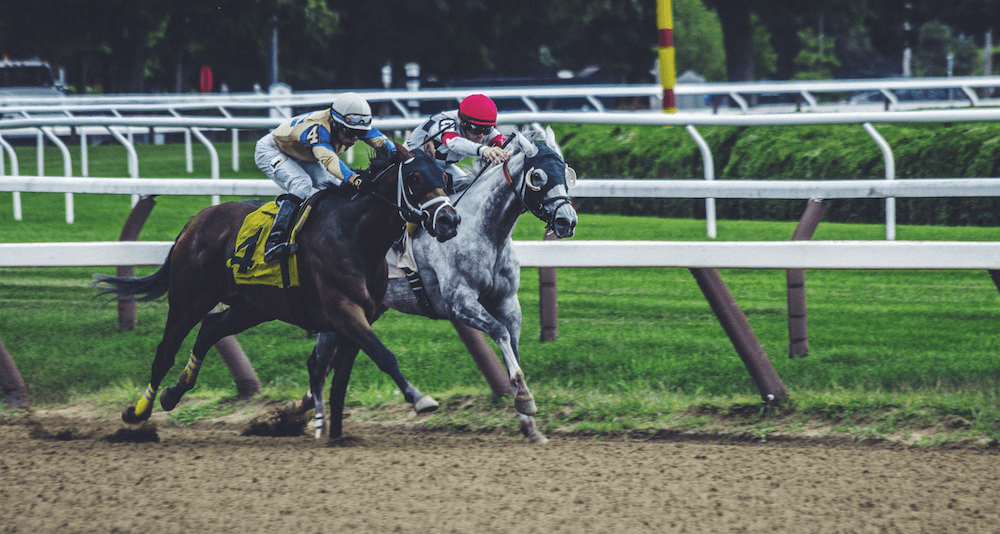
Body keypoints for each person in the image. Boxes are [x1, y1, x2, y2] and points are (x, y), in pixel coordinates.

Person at [254, 92, 397, 263]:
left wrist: (404, 157)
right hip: (272, 150)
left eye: (360, 133)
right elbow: (329, 160)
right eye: (350, 132)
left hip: (305, 154)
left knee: (335, 185)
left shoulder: (350, 124)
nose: (355, 139)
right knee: (301, 184)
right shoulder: (318, 128)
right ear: (336, 123)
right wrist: (355, 179)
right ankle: (275, 241)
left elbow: (384, 143)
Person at [404, 93, 509, 192]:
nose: (481, 135)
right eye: (476, 129)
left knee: (471, 189)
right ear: (462, 122)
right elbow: (453, 143)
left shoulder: (480, 127)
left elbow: (506, 145)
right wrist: (483, 149)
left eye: (487, 129)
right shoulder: (446, 122)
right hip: (410, 163)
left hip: (441, 166)